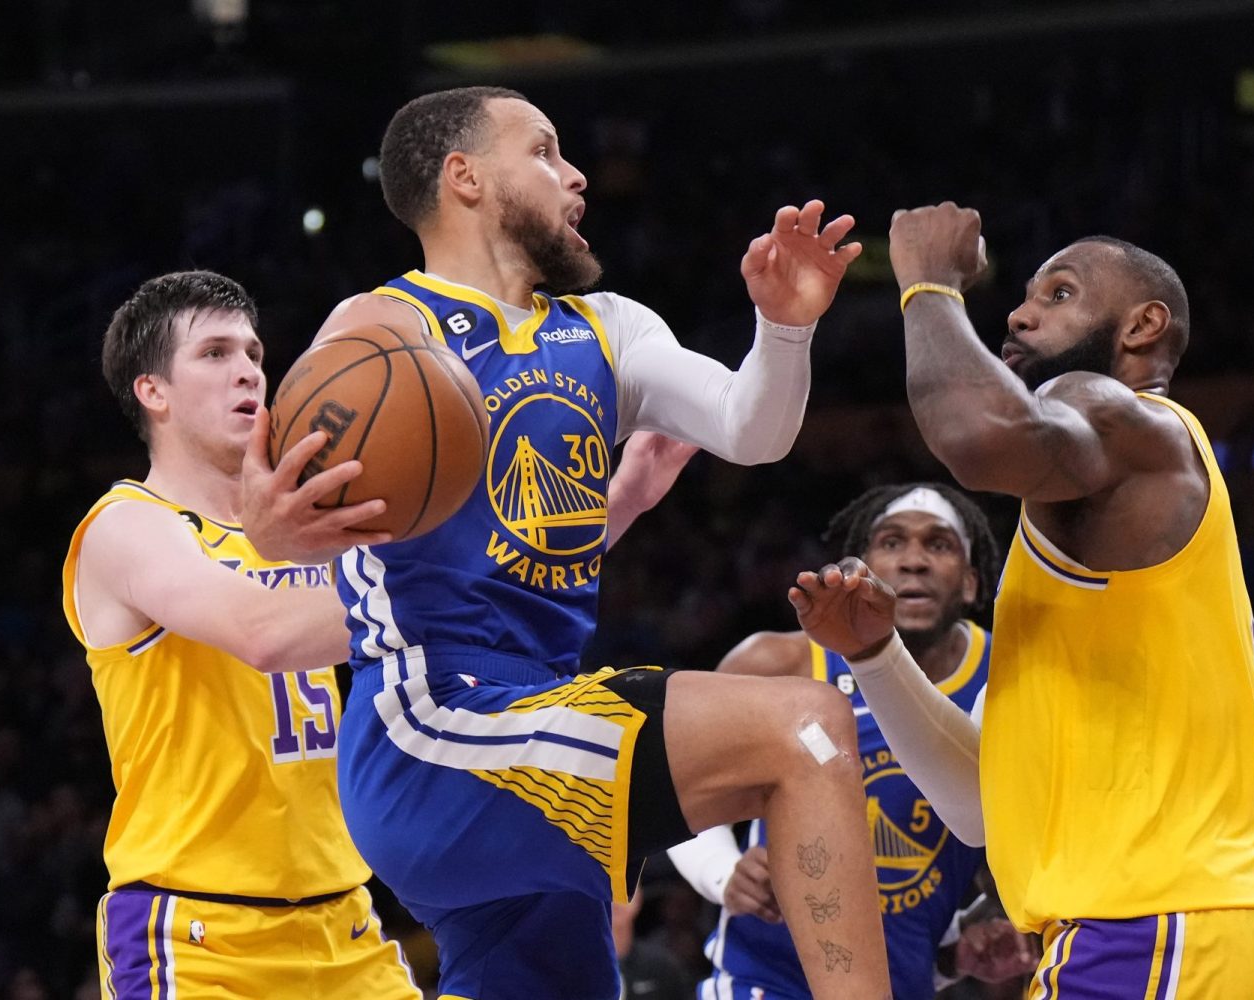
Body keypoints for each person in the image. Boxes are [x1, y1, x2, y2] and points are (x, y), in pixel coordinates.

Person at [241, 87, 891, 1000]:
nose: (576, 174)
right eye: (543, 151)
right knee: (806, 727)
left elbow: (752, 431)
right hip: (433, 725)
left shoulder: (609, 328)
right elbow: (267, 502)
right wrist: (268, 526)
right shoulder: (383, 332)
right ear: (462, 177)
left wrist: (785, 326)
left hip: (539, 716)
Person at [786, 204, 1254, 997]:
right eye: (1025, 294)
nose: (1018, 312)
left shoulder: (1117, 411)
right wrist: (876, 655)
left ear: (1142, 326)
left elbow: (977, 437)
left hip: (1158, 932)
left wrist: (931, 287)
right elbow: (984, 803)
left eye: (1058, 294)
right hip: (1229, 934)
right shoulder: (1100, 519)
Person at [62, 271, 421, 1000]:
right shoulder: (126, 528)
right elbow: (261, 632)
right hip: (197, 941)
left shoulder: (313, 527)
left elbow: (473, 586)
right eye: (215, 353)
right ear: (152, 391)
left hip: (344, 925)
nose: (249, 370)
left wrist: (608, 511)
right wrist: (444, 574)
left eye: (254, 352)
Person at [668, 483, 1035, 999]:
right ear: (860, 570)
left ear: (972, 583)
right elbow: (671, 788)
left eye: (939, 544)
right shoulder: (781, 662)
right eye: (891, 542)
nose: (913, 561)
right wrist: (720, 871)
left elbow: (1023, 836)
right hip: (766, 981)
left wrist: (968, 936)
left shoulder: (1008, 680)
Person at [612, 886, 694, 1000]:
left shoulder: (663, 966)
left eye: (625, 886)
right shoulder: (580, 964)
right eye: (607, 888)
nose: (615, 898)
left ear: (639, 898)